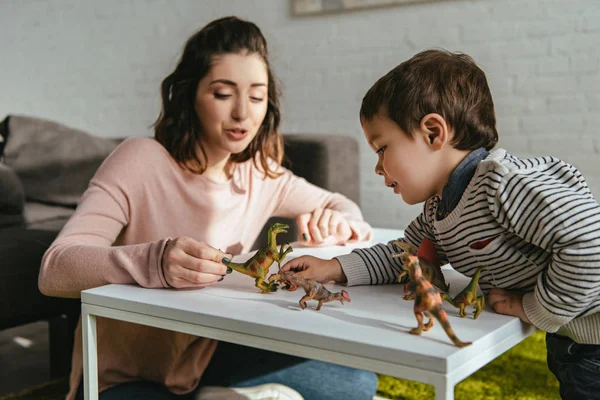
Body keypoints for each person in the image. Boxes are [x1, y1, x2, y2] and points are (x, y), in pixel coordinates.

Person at [38, 16, 378, 400]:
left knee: (357, 383)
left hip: (208, 354)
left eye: (256, 96)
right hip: (124, 375)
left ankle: (215, 393)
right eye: (222, 94)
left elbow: (343, 206)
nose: (242, 114)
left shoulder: (258, 174)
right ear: (190, 95)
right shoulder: (140, 159)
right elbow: (54, 270)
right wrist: (155, 261)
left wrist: (336, 218)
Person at [282, 49, 600, 400]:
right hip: (572, 337)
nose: (378, 167)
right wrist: (334, 266)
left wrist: (536, 309)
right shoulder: (440, 207)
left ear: (433, 132)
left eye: (382, 148)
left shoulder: (502, 185)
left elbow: (590, 244)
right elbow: (403, 255)